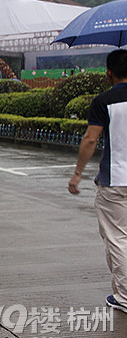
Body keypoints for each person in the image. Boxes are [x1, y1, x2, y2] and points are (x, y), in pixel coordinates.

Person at [67, 49, 127, 313]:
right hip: (113, 178)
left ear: (109, 73)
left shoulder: (103, 101)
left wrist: (78, 173)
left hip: (115, 182)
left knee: (118, 239)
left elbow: (91, 139)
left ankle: (124, 296)